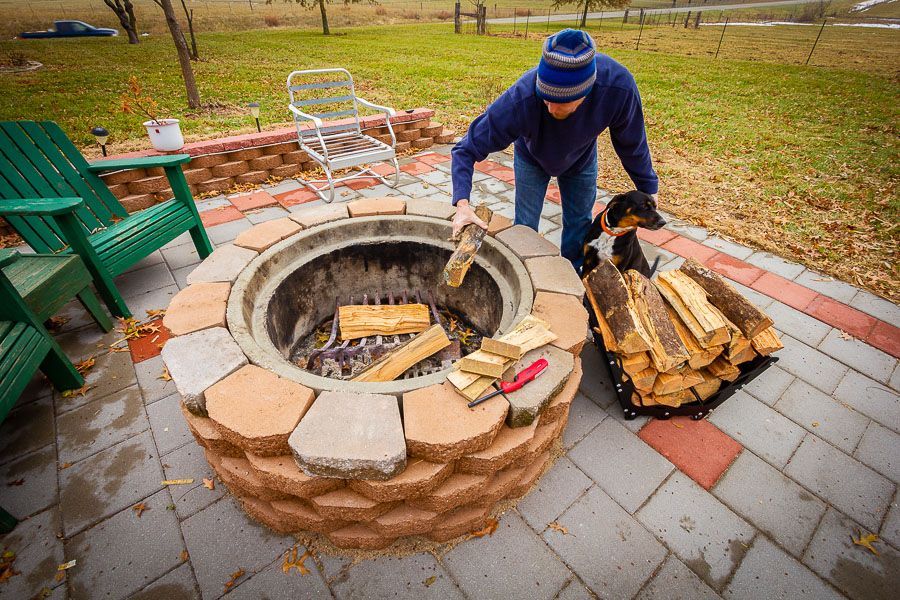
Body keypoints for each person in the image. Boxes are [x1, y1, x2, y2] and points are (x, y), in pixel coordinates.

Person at [450, 28, 659, 272]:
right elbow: (465, 149)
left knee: (579, 224)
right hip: (531, 157)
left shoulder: (617, 88)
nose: (549, 108)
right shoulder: (522, 98)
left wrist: (649, 188)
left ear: (585, 92)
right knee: (525, 227)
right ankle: (526, 277)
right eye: (545, 97)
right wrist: (462, 205)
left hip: (581, 158)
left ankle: (571, 278)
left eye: (560, 102)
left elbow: (632, 144)